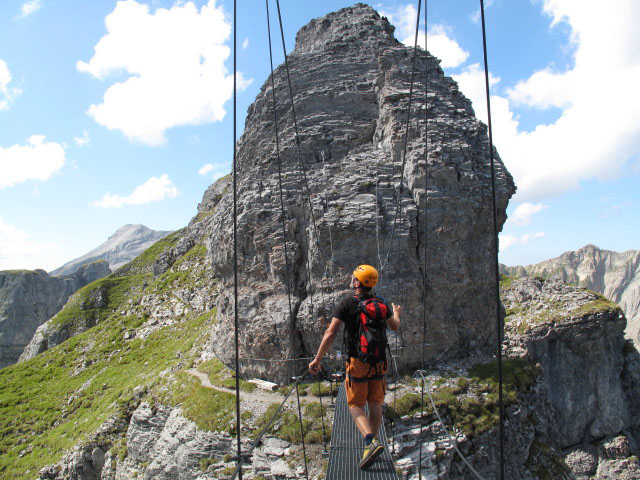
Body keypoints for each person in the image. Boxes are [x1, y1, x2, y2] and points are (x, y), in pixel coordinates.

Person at [309, 264, 402, 469]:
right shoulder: (382, 303)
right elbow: (394, 326)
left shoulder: (347, 303)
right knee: (375, 402)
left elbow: (330, 333)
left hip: (357, 362)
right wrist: (395, 312)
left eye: (353, 278)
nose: (351, 280)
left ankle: (370, 441)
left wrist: (317, 359)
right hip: (380, 363)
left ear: (358, 283)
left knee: (355, 405)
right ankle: (371, 447)